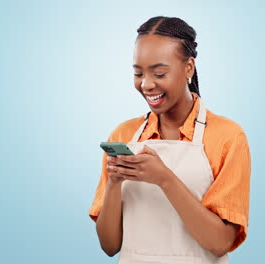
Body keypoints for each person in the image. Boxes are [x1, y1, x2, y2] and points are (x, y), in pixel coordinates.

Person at [89, 16, 251, 264]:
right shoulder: (124, 135)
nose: (146, 84)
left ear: (188, 68)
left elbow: (220, 244)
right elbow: (110, 246)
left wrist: (164, 178)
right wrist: (114, 182)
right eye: (138, 73)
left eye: (159, 73)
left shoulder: (227, 137)